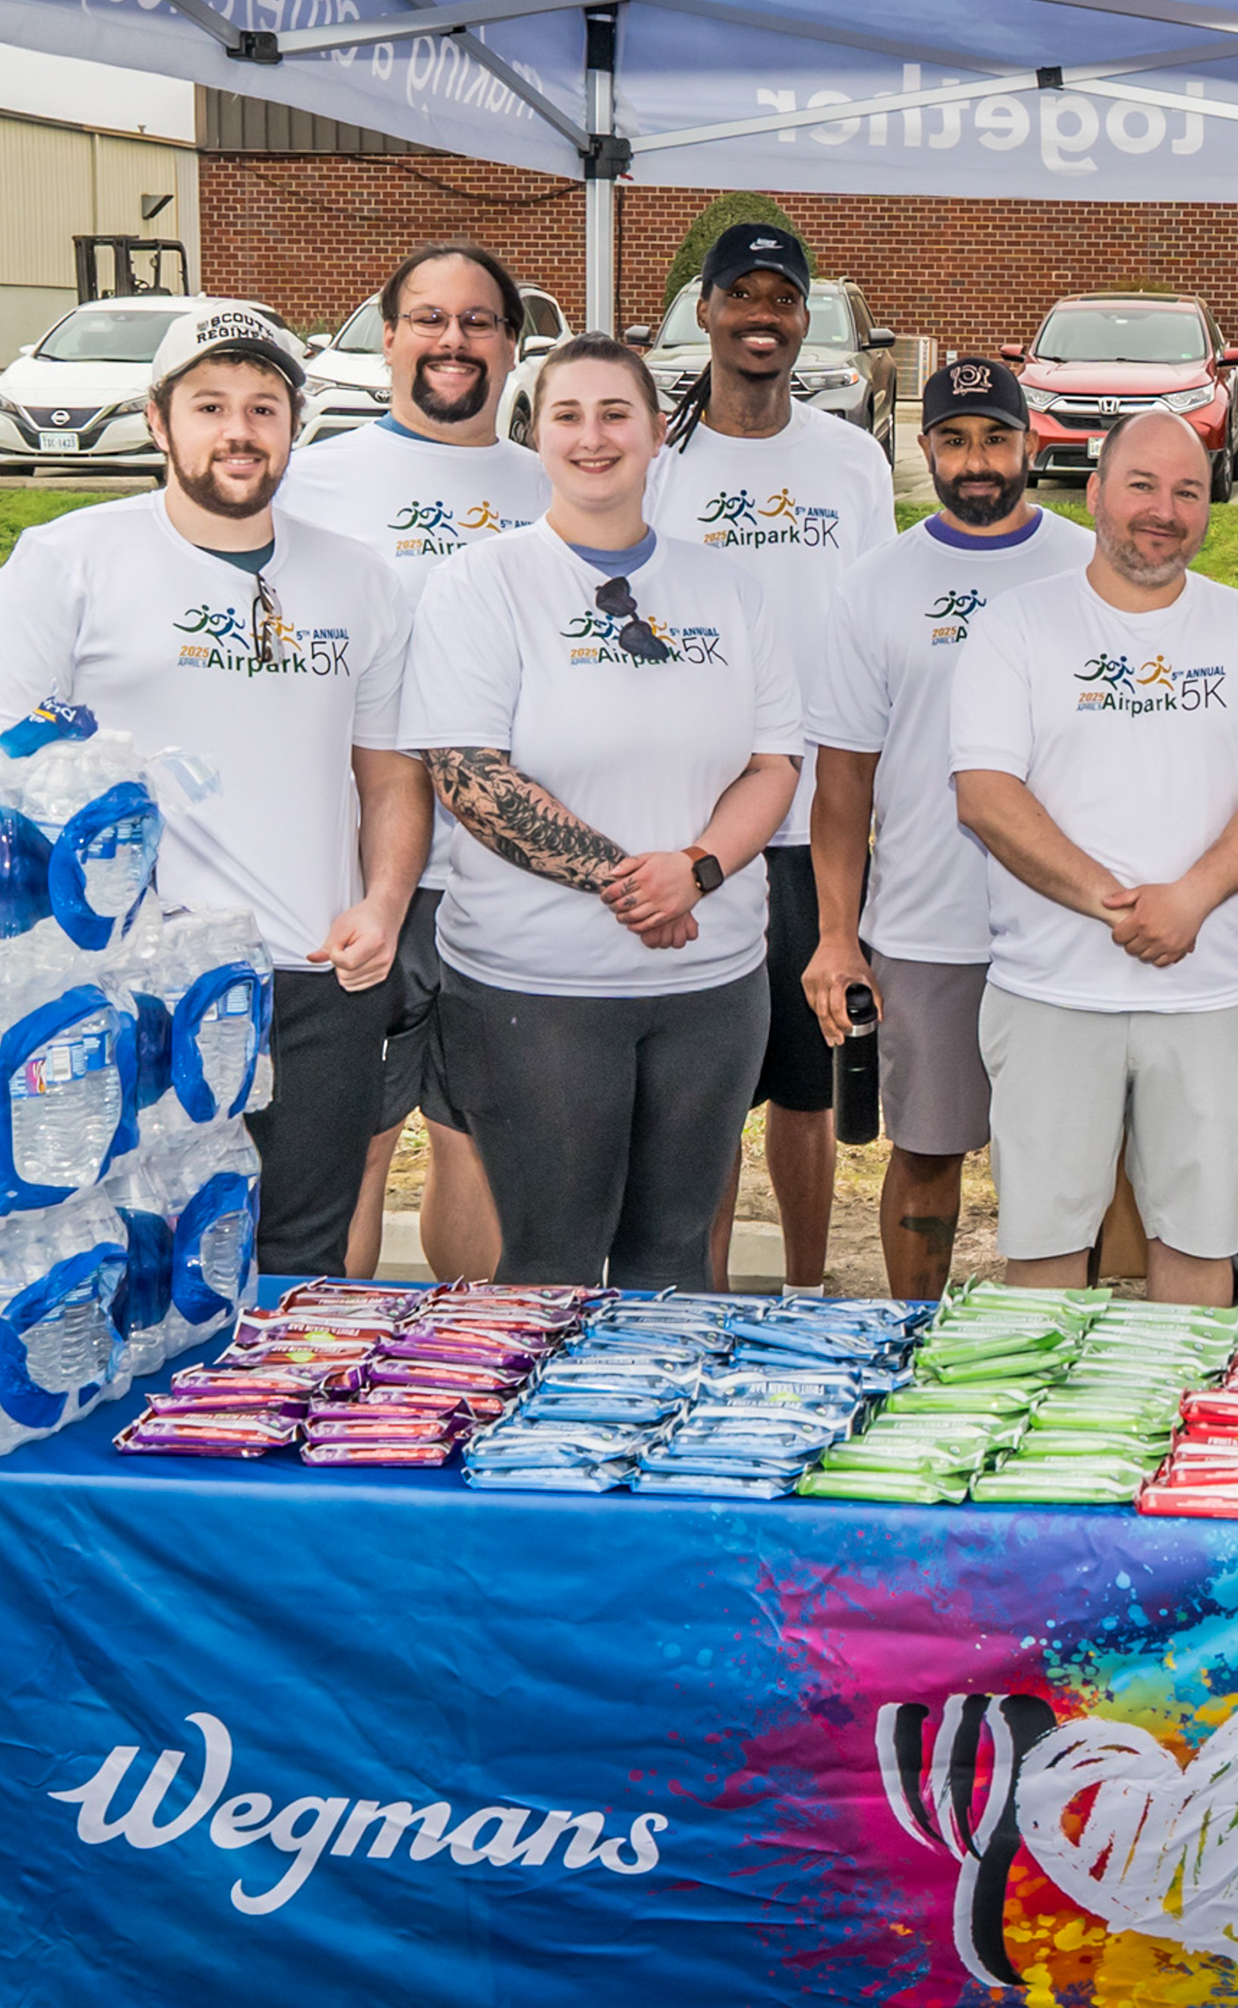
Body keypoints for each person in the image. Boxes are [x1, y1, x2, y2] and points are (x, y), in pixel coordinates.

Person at [0, 303, 422, 1280]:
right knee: (130, 1266)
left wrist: (382, 906)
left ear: (295, 426)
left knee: (300, 1258)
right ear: (158, 421)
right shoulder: (64, 563)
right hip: (132, 986)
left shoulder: (361, 581)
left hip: (315, 979)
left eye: (264, 407)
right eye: (209, 405)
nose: (238, 430)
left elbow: (389, 776)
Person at [401, 336, 802, 1286]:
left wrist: (695, 870)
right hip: (537, 991)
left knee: (675, 1260)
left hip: (710, 988)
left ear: (657, 433)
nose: (593, 437)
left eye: (616, 414)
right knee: (550, 1264)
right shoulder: (482, 582)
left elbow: (775, 763)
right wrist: (638, 886)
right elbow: (469, 774)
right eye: (568, 415)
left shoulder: (732, 589)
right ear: (535, 435)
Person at [949, 410, 1238, 1307]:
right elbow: (985, 795)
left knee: (1198, 1244)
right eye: (1141, 484)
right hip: (1051, 993)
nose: (1164, 510)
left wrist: (1188, 901)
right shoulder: (1017, 626)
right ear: (1095, 492)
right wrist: (1117, 904)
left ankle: (1179, 1400)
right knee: (1044, 1256)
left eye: (1188, 491)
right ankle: (1051, 1406)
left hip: (1205, 997)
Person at [274, 242, 548, 1281]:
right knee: (354, 1146)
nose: (453, 340)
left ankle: (462, 1358)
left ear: (512, 345)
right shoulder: (313, 483)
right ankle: (330, 1355)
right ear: (388, 338)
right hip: (360, 879)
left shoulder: (554, 485)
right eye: (429, 318)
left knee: (484, 1149)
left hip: (511, 880)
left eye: (479, 321)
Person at [646, 218, 900, 1294]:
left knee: (805, 1085)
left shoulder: (850, 460)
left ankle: (803, 1289)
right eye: (741, 296)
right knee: (707, 1090)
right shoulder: (661, 460)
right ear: (703, 311)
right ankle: (702, 1298)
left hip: (814, 822)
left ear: (806, 320)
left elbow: (878, 625)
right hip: (696, 822)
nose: (763, 316)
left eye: (782, 299)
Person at [800, 356, 1088, 1297]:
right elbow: (843, 781)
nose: (977, 461)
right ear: (924, 449)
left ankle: (1062, 1340)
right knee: (926, 1156)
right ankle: (913, 1336)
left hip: (1069, 925)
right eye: (955, 440)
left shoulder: (1088, 566)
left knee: (1071, 1166)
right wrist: (837, 934)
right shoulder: (876, 585)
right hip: (927, 927)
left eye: (996, 438)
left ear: (1030, 443)